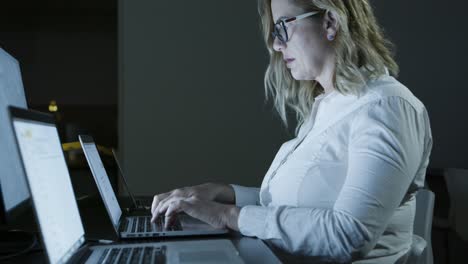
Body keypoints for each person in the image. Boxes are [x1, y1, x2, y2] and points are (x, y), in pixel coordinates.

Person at [151, 0, 433, 263]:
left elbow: (349, 234)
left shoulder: (387, 108)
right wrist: (222, 193)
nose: (275, 44)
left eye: (283, 27)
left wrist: (228, 215)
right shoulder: (330, 104)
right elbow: (297, 204)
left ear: (330, 22)